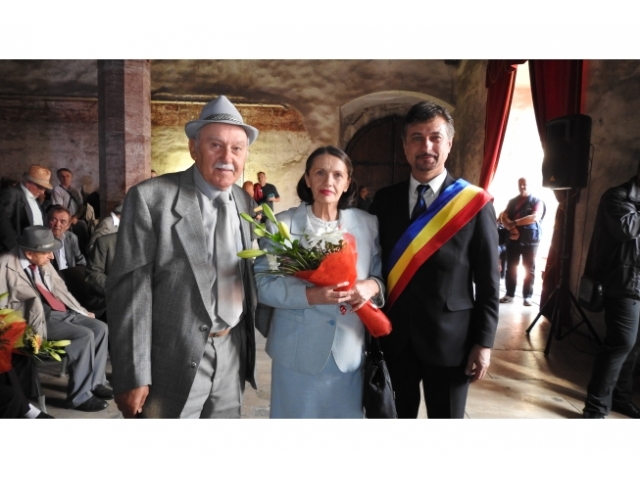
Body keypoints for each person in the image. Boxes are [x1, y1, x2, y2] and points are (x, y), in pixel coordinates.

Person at [106, 95, 260, 418]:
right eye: (215, 145)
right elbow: (131, 291)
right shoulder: (151, 199)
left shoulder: (244, 202)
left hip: (232, 350)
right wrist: (133, 373)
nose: (227, 157)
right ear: (193, 148)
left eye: (237, 148)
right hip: (171, 358)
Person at [370, 101, 499, 419]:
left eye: (435, 137)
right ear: (404, 145)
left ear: (449, 143)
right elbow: (373, 266)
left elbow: (488, 282)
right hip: (395, 339)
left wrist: (484, 343)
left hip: (452, 343)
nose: (426, 146)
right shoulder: (384, 200)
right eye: (416, 137)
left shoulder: (474, 203)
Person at [254, 146, 384, 418]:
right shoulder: (282, 225)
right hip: (296, 351)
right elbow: (264, 284)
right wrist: (311, 295)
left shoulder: (368, 224)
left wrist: (369, 287)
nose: (328, 181)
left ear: (347, 183)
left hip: (348, 351)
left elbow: (379, 277)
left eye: (338, 175)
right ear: (307, 179)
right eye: (320, 173)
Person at [0, 226, 111, 412]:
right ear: (29, 253)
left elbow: (61, 291)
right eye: (47, 253)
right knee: (83, 336)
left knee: (100, 328)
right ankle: (80, 397)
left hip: (58, 312)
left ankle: (95, 383)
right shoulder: (4, 266)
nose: (51, 257)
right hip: (31, 322)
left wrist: (81, 311)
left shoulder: (41, 259)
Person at [582, 172, 640, 419]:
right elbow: (626, 229)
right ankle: (595, 407)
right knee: (621, 343)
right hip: (622, 282)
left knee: (634, 346)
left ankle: (620, 397)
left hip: (637, 282)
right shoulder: (617, 197)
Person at [499, 178, 545, 306]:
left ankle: (527, 297)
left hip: (531, 240)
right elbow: (504, 217)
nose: (522, 187)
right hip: (513, 239)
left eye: (525, 184)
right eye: (520, 184)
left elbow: (534, 217)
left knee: (529, 269)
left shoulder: (537, 201)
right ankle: (509, 294)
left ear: (531, 185)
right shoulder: (512, 201)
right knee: (511, 268)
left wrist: (514, 223)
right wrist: (513, 229)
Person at [0, 165, 52, 253]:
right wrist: (15, 248)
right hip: (16, 251)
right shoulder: (12, 194)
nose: (42, 192)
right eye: (40, 187)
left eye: (44, 189)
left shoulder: (34, 199)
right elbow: (3, 225)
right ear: (29, 183)